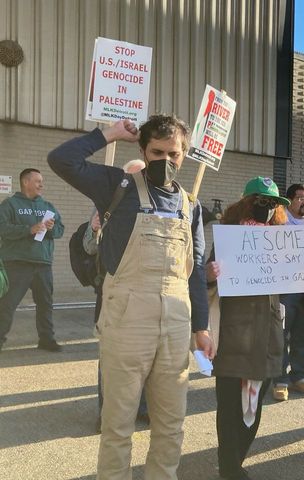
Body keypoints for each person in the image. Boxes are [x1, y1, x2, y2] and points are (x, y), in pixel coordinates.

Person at [48, 116, 212, 480]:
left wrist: (202, 327)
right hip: (126, 321)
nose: (165, 161)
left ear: (184, 154)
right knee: (118, 426)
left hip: (175, 324)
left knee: (171, 426)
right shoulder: (115, 186)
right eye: (156, 152)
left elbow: (196, 269)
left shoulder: (191, 205)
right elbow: (61, 160)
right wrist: (110, 134)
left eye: (174, 153)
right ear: (142, 149)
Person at [206, 176, 304, 480]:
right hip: (233, 333)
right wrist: (210, 273)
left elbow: (294, 281)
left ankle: (236, 458)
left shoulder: (281, 238)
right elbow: (204, 279)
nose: (267, 208)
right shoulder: (229, 237)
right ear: (245, 202)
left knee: (256, 401)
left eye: (272, 204)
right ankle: (229, 468)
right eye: (260, 201)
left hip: (269, 333)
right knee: (230, 405)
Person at [84, 159, 149, 433]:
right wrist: (95, 228)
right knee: (110, 359)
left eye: (140, 176)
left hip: (146, 295)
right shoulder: (106, 204)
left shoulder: (154, 205)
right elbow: (88, 248)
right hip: (112, 295)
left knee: (146, 357)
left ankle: (143, 408)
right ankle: (106, 412)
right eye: (130, 176)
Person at [0, 168, 64, 352]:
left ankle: (46, 340)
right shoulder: (10, 204)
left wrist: (51, 228)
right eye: (37, 181)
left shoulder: (48, 206)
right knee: (6, 305)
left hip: (43, 264)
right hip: (17, 263)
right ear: (25, 182)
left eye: (41, 181)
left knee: (45, 304)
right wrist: (29, 229)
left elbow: (60, 230)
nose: (41, 185)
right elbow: (2, 228)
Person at [273, 183, 304, 401]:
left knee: (303, 335)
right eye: (300, 197)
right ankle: (280, 380)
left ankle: (299, 377)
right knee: (281, 335)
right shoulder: (280, 223)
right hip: (286, 289)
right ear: (290, 201)